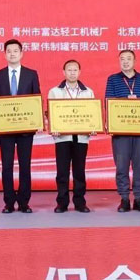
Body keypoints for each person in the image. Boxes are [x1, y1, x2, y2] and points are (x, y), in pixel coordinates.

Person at [0, 39, 40, 213]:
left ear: (21, 53)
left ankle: (24, 202)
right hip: (5, 129)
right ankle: (9, 202)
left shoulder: (31, 74)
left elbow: (36, 98)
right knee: (7, 166)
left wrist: (37, 120)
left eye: (15, 51)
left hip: (26, 129)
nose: (12, 54)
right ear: (5, 54)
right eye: (9, 51)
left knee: (25, 165)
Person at [105, 50, 140, 213]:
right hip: (120, 130)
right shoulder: (112, 79)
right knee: (121, 165)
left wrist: (138, 102)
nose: (125, 62)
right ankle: (124, 198)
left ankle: (139, 198)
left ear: (135, 61)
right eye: (122, 59)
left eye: (128, 59)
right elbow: (109, 101)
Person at [48, 60, 94, 213]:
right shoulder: (55, 91)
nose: (72, 73)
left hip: (81, 137)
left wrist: (93, 127)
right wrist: (53, 127)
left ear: (79, 72)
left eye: (75, 70)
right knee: (62, 172)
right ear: (64, 72)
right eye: (69, 70)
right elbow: (50, 113)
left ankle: (80, 203)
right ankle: (62, 203)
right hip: (62, 137)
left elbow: (92, 114)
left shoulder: (88, 91)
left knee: (79, 171)